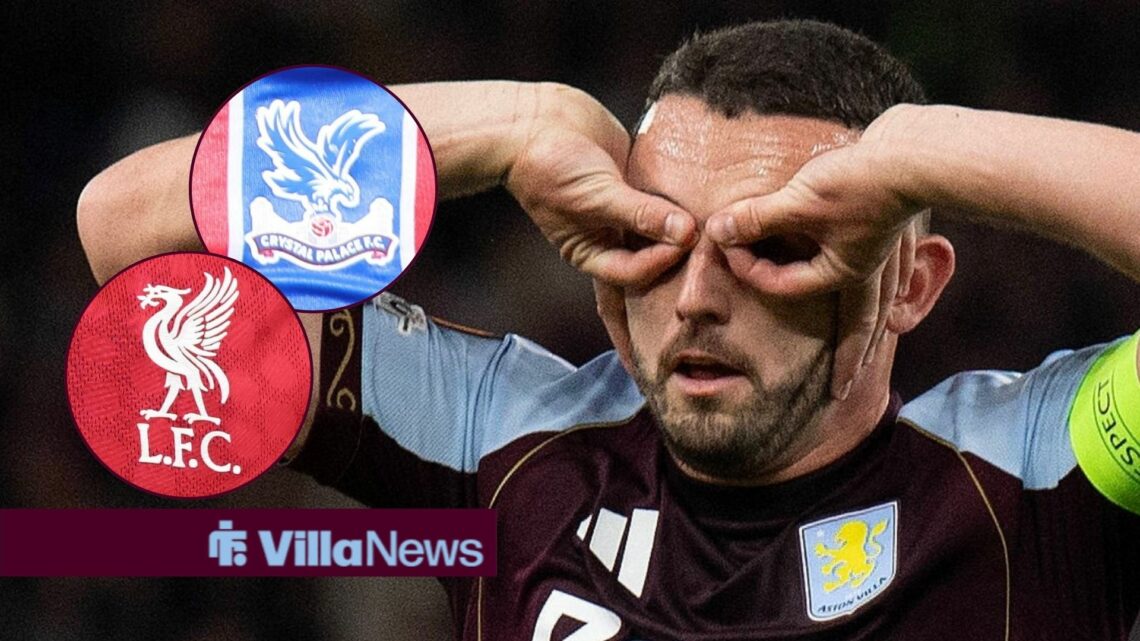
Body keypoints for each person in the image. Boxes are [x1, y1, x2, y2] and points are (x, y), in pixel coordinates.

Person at [78, 19, 1140, 641]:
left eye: (775, 248)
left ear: (908, 285)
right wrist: (517, 124)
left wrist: (928, 154)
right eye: (654, 243)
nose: (694, 300)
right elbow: (126, 236)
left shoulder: (1038, 473)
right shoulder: (501, 434)